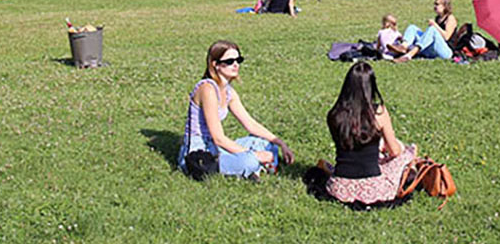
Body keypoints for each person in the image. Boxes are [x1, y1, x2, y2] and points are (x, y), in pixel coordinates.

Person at [177, 41, 295, 180]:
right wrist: (254, 155)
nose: (235, 65)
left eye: (238, 60)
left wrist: (281, 143)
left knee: (267, 144)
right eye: (229, 61)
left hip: (216, 148)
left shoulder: (228, 92)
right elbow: (219, 138)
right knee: (250, 160)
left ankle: (253, 168)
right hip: (200, 156)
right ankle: (254, 167)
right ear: (215, 64)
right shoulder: (207, 89)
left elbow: (250, 124)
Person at [323, 62, 417, 206]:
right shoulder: (378, 113)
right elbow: (395, 152)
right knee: (408, 153)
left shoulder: (334, 115)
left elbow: (350, 141)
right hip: (373, 190)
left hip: (339, 187)